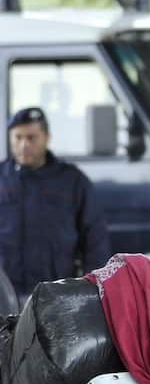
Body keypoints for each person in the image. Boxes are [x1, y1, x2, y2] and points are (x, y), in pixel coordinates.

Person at [0, 107, 111, 299]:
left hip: (56, 297)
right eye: (18, 137)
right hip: (5, 298)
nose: (24, 144)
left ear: (47, 138)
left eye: (31, 137)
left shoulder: (72, 181)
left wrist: (91, 292)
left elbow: (95, 241)